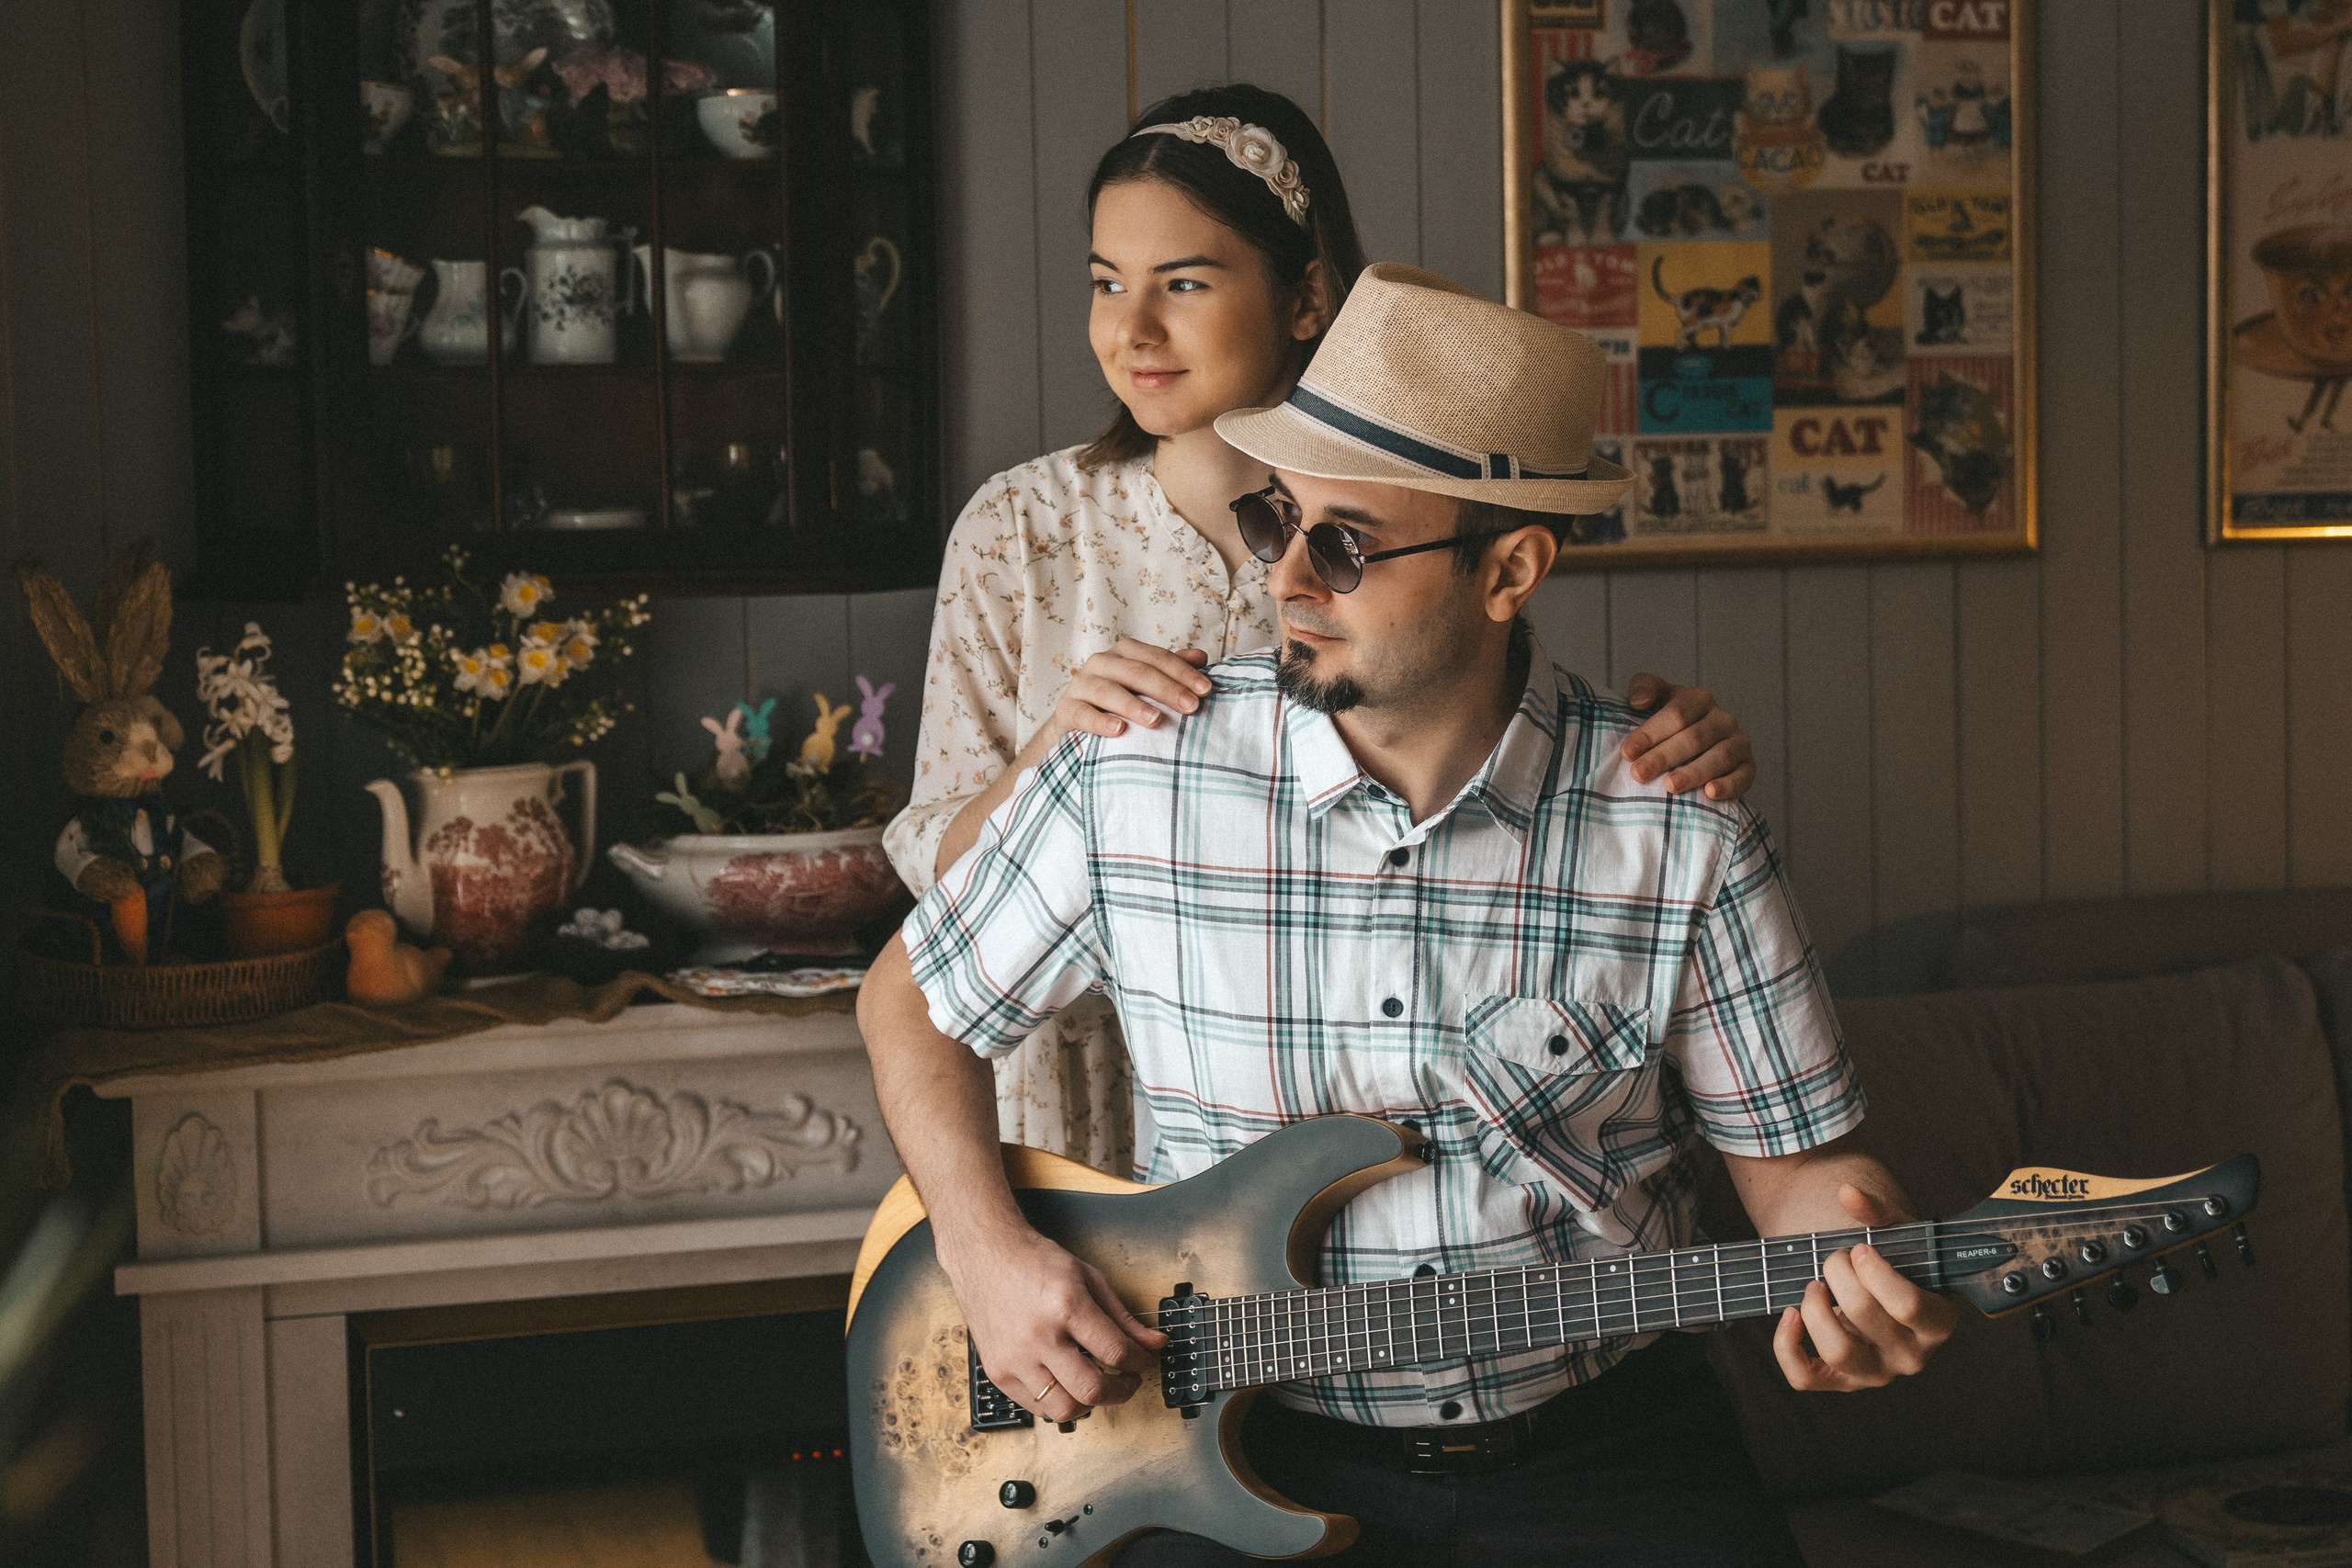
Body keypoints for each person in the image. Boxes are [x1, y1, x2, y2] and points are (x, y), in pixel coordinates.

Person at [857, 264, 1955, 1566]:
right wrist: (985, 1256)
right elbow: (910, 1003)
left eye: (1348, 542)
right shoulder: (1135, 775)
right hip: (1235, 1438)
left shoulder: (1680, 823)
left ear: (1511, 568)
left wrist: (1856, 1254)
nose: (1287, 580)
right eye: (1278, 522)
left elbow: (1800, 1180)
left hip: (1599, 1446)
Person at [884, 85, 1757, 1177]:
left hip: (1329, 1074)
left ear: (1306, 298)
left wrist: (1670, 750)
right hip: (1055, 1063)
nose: (1131, 329)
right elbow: (927, 869)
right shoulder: (1019, 528)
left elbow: (1479, 742)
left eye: (1183, 283)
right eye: (1106, 283)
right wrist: (1056, 761)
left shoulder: (1406, 512)